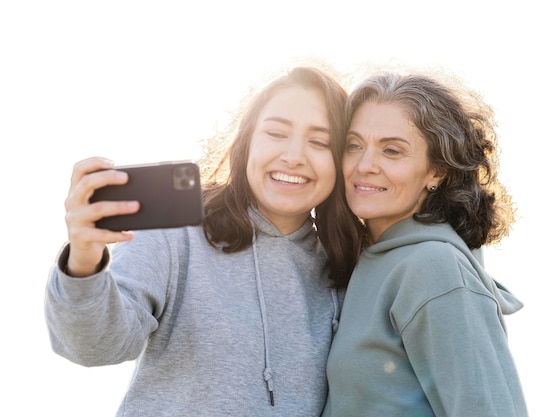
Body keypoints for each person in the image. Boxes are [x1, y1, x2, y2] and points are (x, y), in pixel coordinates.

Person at [45, 65, 361, 416]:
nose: (294, 156)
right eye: (276, 132)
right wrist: (84, 259)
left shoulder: (348, 269)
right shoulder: (176, 235)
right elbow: (95, 346)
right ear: (246, 144)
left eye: (320, 141)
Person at [322, 70, 528, 417]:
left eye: (392, 150)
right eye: (354, 145)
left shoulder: (434, 267)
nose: (365, 165)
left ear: (437, 171)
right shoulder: (369, 258)